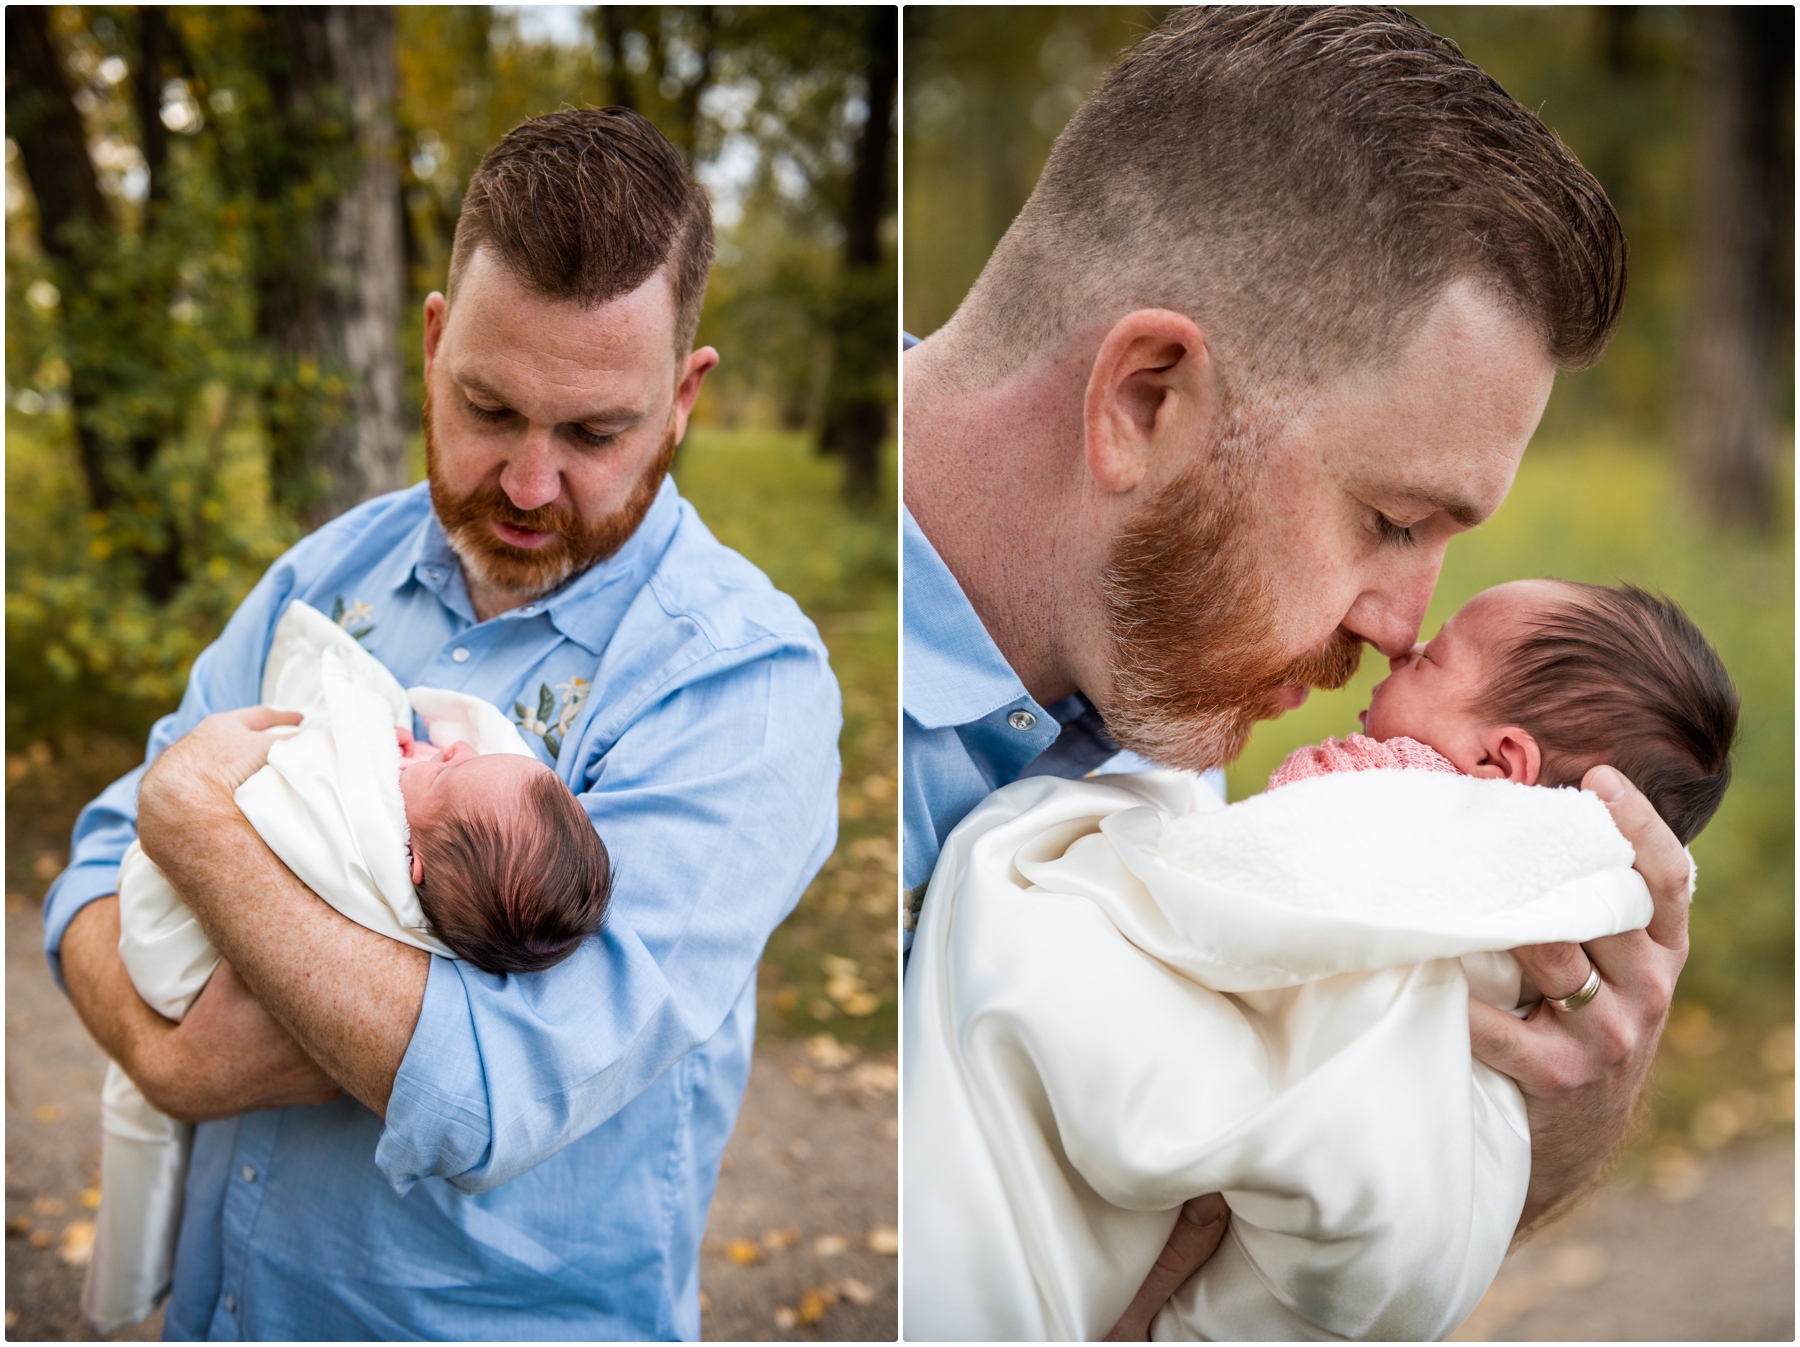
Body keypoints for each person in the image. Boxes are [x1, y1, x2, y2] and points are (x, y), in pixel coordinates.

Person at [901, 9, 1694, 1336]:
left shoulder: (1173, 714)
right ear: (1147, 399)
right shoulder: (747, 688)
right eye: (1392, 520)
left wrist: (1529, 1117)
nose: (1404, 623)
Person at [45, 107, 842, 1339]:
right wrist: (169, 1061)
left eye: (593, 432)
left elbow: (491, 1084)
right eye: (488, 409)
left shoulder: (739, 687)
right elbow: (95, 868)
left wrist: (197, 825)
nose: (529, 484)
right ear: (432, 345)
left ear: (682, 398)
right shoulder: (328, 575)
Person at [903, 577, 1736, 1339]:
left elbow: (1242, 884)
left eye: (1435, 655)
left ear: (1499, 761)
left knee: (1014, 862)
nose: (1402, 640)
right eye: (1394, 517)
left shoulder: (1393, 794)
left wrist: (1099, 852)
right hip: (1371, 1238)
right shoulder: (1506, 858)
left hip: (1352, 1177)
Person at [86, 598, 612, 1332]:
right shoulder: (326, 563)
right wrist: (161, 1061)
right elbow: (101, 847)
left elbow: (284, 805)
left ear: (413, 860)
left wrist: (201, 808)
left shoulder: (381, 836)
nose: (450, 747)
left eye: (449, 773)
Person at [1272, 579, 1739, 848]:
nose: (1402, 651)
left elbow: (1281, 830)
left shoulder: (1375, 790)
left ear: (1498, 762)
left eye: (1430, 657)